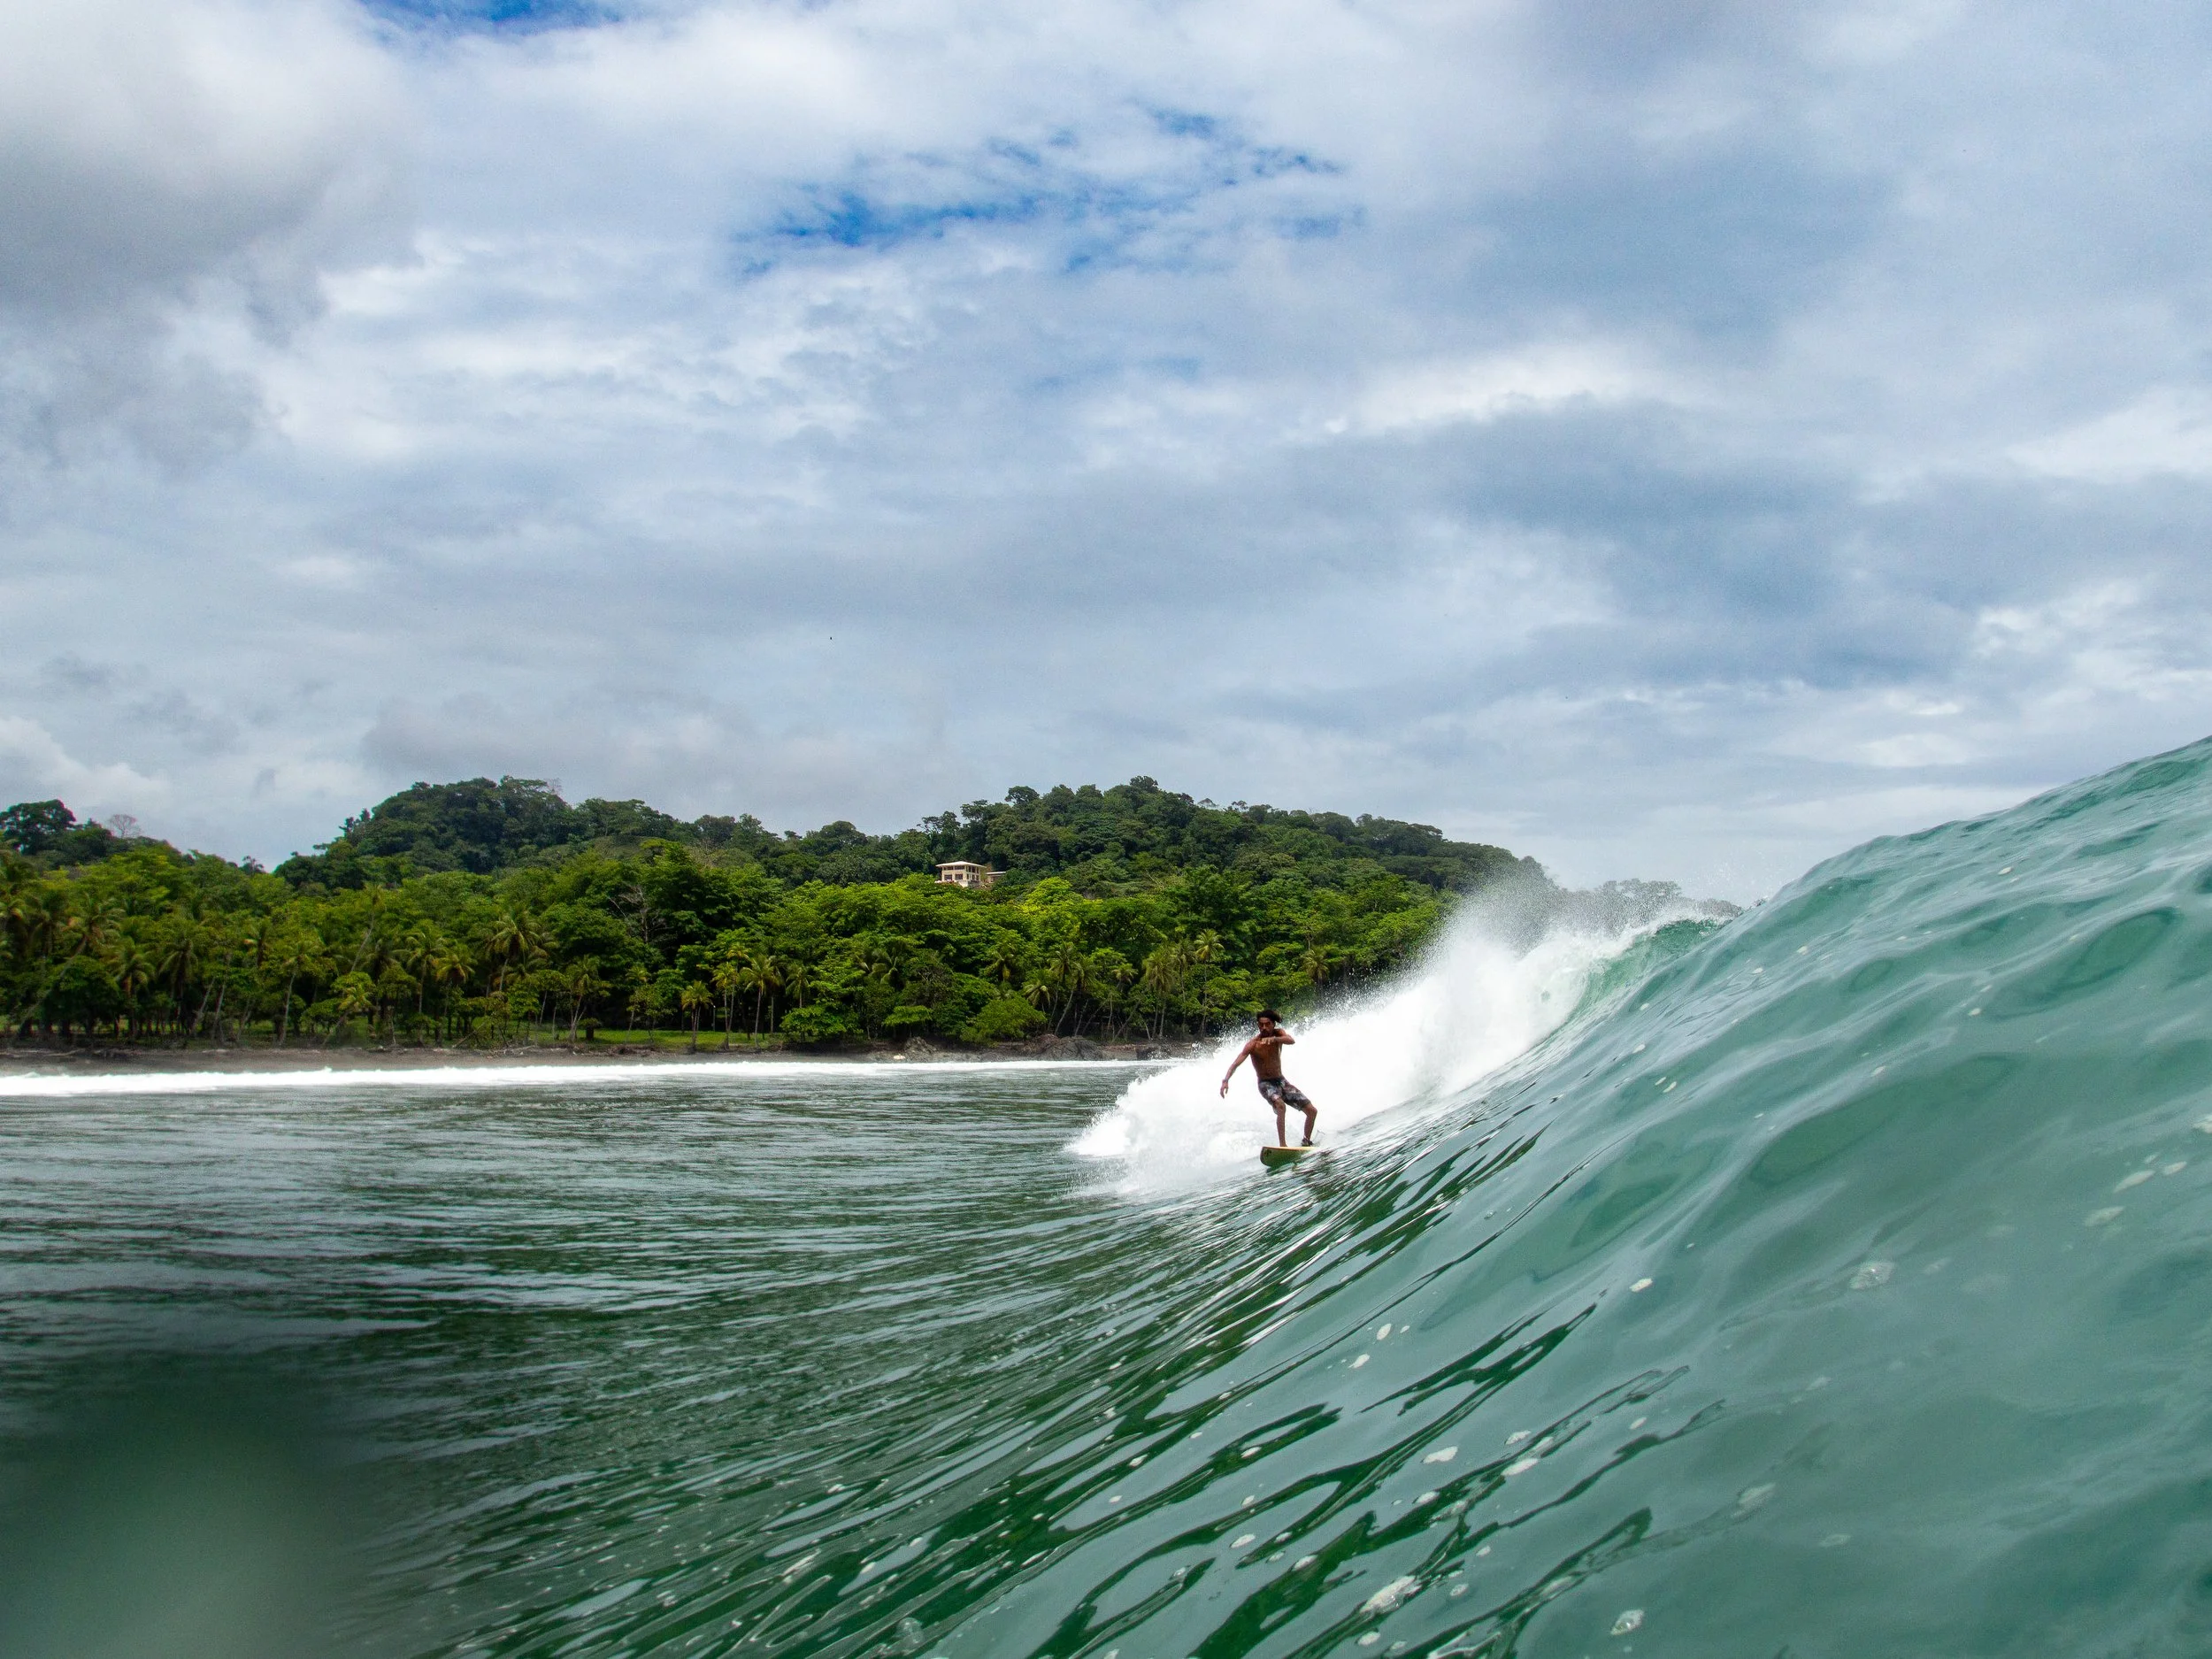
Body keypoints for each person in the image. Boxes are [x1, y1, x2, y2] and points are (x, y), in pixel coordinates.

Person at [1220, 1009, 1317, 1147]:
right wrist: (1225, 1081)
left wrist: (1274, 1039)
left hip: (1281, 1081)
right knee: (1280, 1105)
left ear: (1273, 1024)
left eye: (1267, 1024)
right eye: (1261, 1025)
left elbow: (1291, 1040)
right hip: (1265, 1084)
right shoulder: (1253, 1044)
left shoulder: (1279, 1034)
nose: (1264, 1028)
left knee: (1312, 1111)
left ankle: (1306, 1141)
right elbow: (1235, 1064)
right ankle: (1283, 1146)